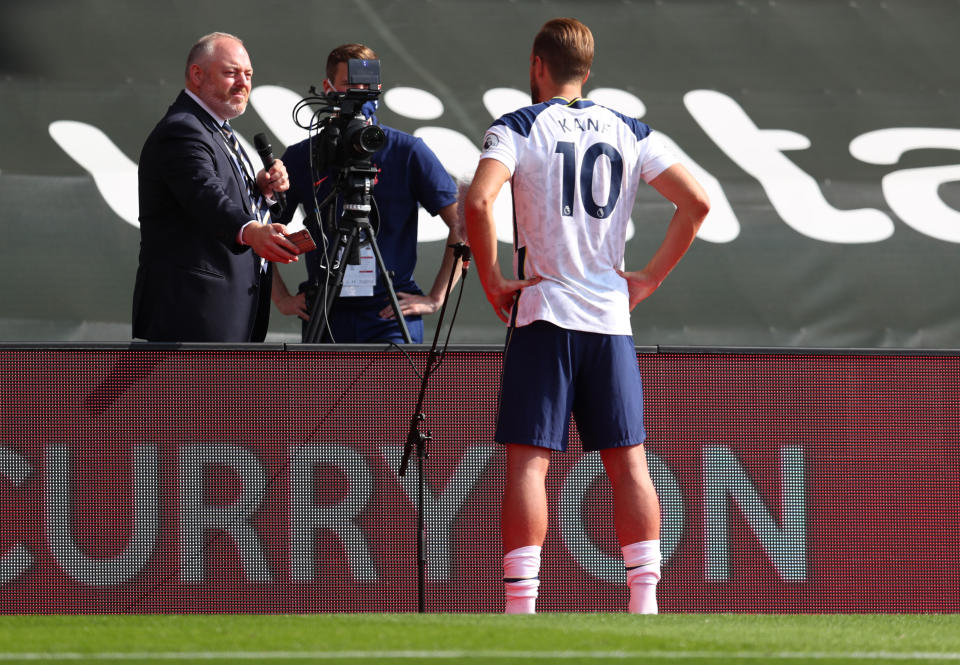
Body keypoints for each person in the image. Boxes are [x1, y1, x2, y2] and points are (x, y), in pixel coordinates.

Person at [465, 18, 710, 614]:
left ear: (536, 65)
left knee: (529, 462)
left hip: (544, 309)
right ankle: (645, 602)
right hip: (608, 317)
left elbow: (477, 200)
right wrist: (650, 277)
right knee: (628, 461)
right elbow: (697, 202)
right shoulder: (629, 128)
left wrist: (493, 278)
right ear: (588, 69)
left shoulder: (518, 126)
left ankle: (521, 606)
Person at [272, 43, 462, 344]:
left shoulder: (408, 152)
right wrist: (280, 297)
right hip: (325, 309)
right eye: (350, 85)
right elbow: (262, 231)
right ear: (328, 87)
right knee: (324, 394)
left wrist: (436, 298)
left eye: (367, 86)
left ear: (379, 88)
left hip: (388, 314)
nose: (359, 94)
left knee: (393, 393)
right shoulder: (303, 156)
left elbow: (463, 225)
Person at [134, 32, 301, 343]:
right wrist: (251, 231)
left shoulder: (215, 129)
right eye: (231, 72)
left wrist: (260, 190)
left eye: (248, 74)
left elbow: (217, 193)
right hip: (191, 316)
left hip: (227, 312)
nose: (243, 83)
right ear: (197, 75)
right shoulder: (182, 129)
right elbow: (205, 195)